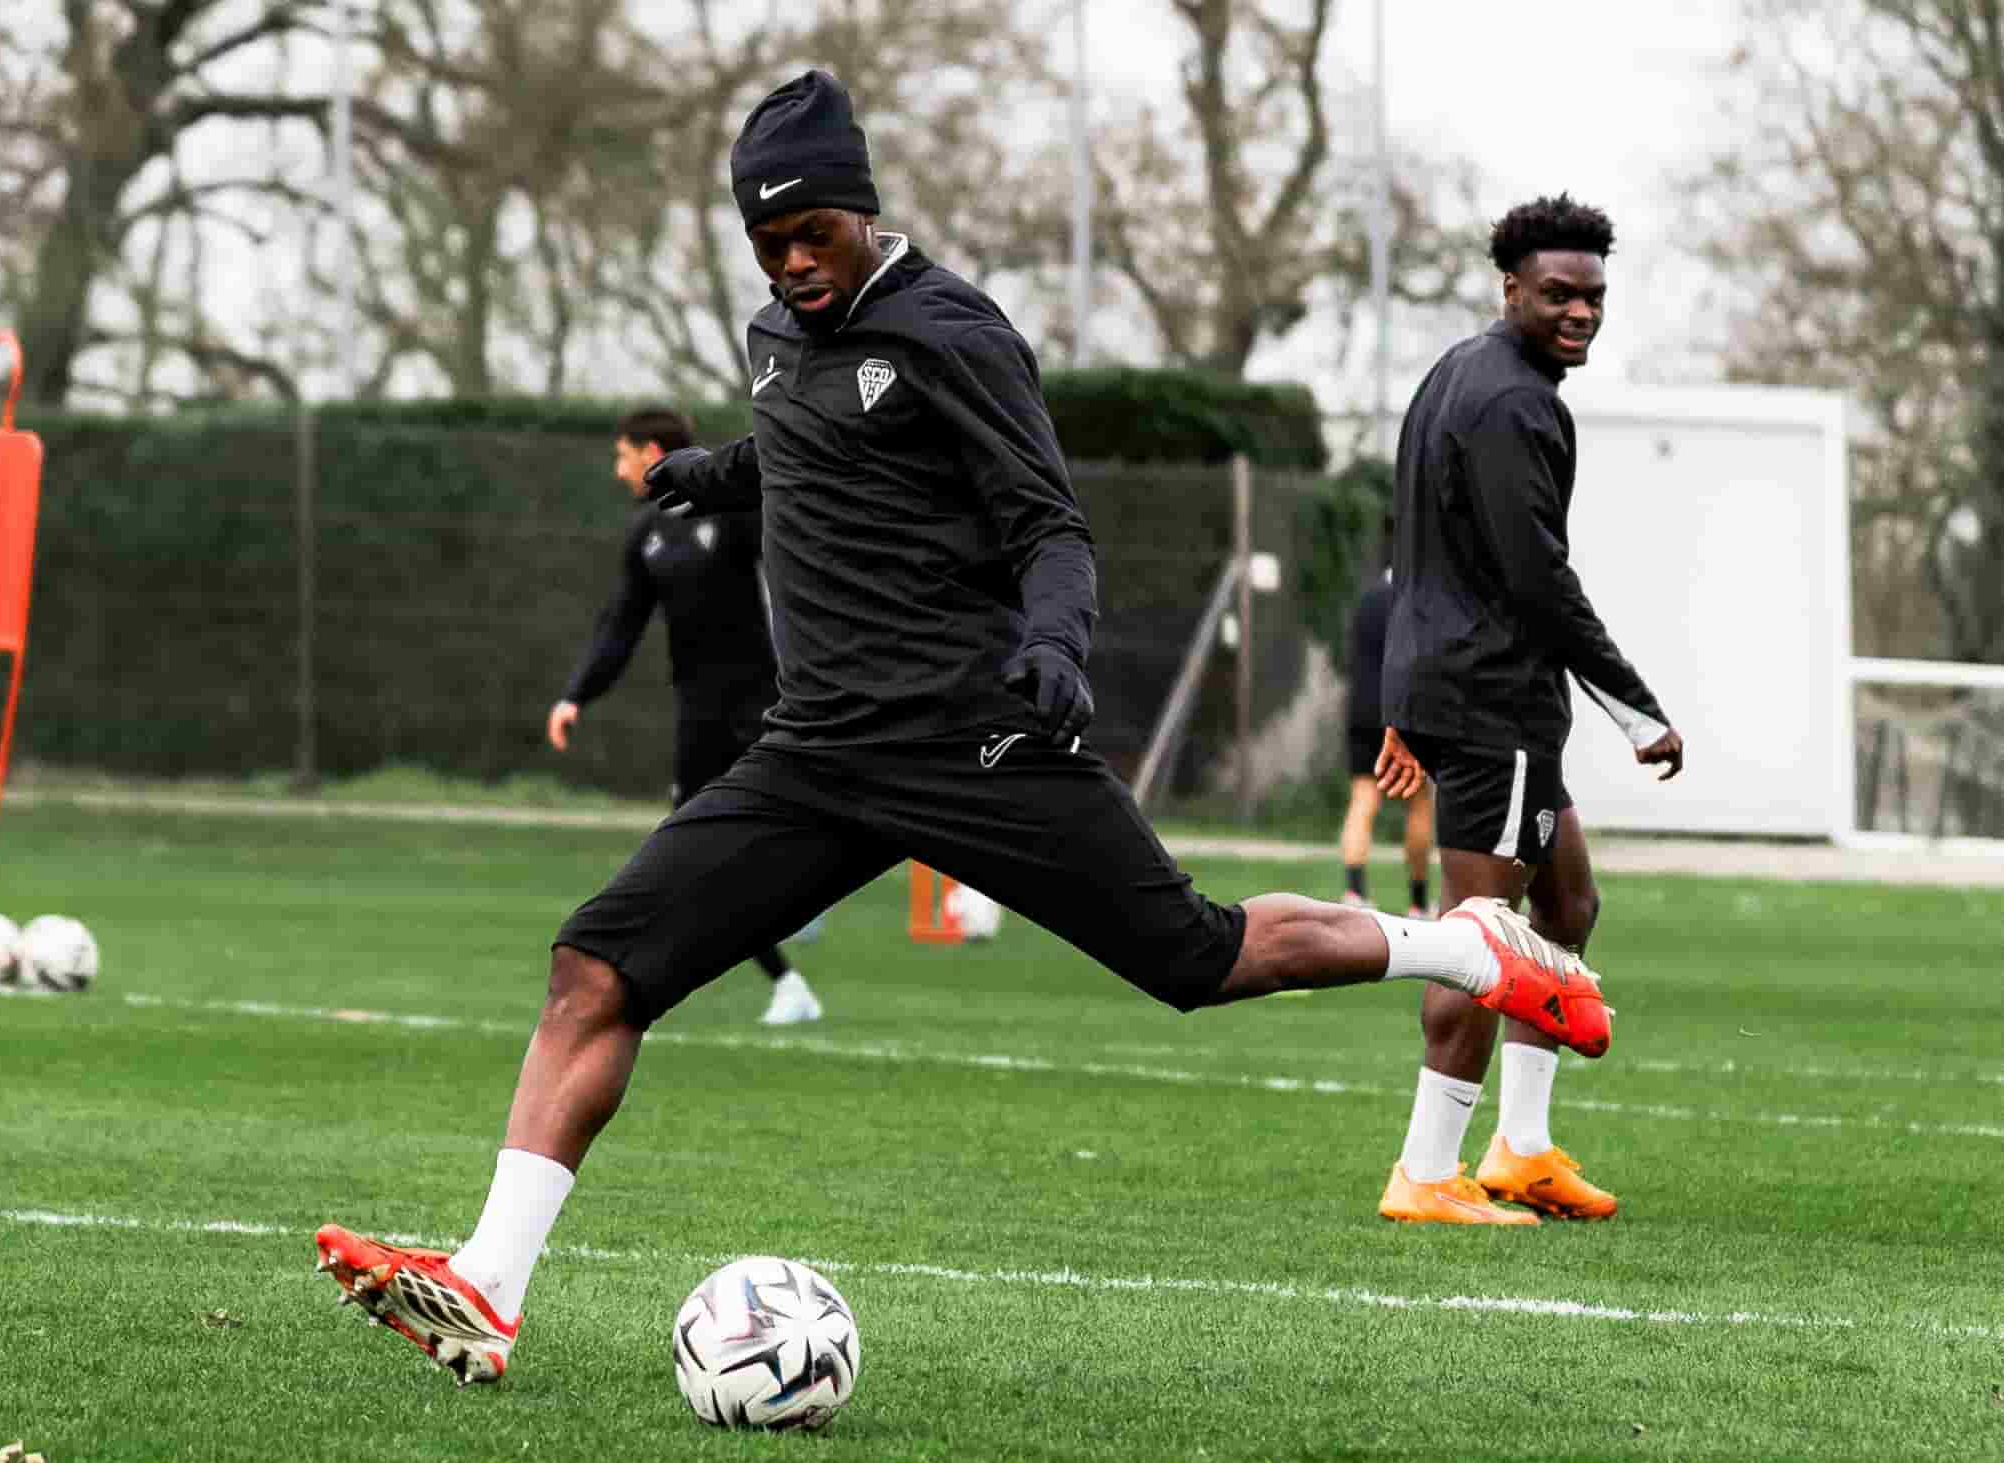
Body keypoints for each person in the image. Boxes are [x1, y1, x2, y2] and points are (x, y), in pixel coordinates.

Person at [311, 73, 1610, 1386]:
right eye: (767, 245)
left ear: (860, 210)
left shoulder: (951, 329)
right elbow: (805, 439)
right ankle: (485, 1286)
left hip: (968, 739)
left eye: (811, 232)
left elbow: (1045, 520)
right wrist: (716, 466)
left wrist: (1051, 642)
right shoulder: (775, 334)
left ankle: (1457, 942)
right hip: (812, 753)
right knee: (594, 969)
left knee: (1195, 956)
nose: (792, 263)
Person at [1371, 194, 1683, 1227]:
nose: (1579, 311)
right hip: (1492, 708)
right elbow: (1535, 580)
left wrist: (1399, 689)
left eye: (1593, 294)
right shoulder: (1511, 401)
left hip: (1470, 697)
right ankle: (1423, 1171)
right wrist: (1635, 708)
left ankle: (1522, 1148)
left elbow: (1408, 538)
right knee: (1484, 938)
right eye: (1557, 292)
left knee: (1566, 908)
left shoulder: (1459, 372)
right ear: (1509, 286)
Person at [546, 406, 822, 1027]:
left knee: (776, 830)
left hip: (766, 702)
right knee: (695, 853)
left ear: (652, 453)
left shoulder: (736, 512)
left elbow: (799, 581)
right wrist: (576, 696)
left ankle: (802, 907)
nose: (618, 470)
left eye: (622, 456)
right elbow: (619, 626)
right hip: (698, 711)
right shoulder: (646, 532)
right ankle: (786, 978)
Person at [1338, 519, 1435, 918]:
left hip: (1363, 712)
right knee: (1419, 805)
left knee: (1363, 801)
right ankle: (1417, 900)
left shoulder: (1366, 602)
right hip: (1405, 715)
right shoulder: (1420, 605)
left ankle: (1356, 893)